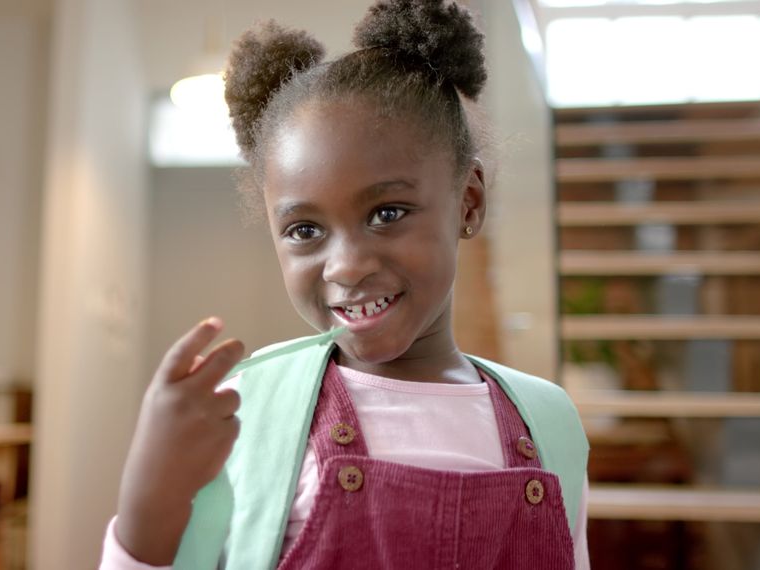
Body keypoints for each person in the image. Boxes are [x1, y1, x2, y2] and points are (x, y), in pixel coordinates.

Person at [102, 0, 590, 568]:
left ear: (469, 202)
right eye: (305, 229)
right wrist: (149, 497)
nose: (347, 266)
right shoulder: (246, 411)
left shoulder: (548, 420)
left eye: (387, 213)